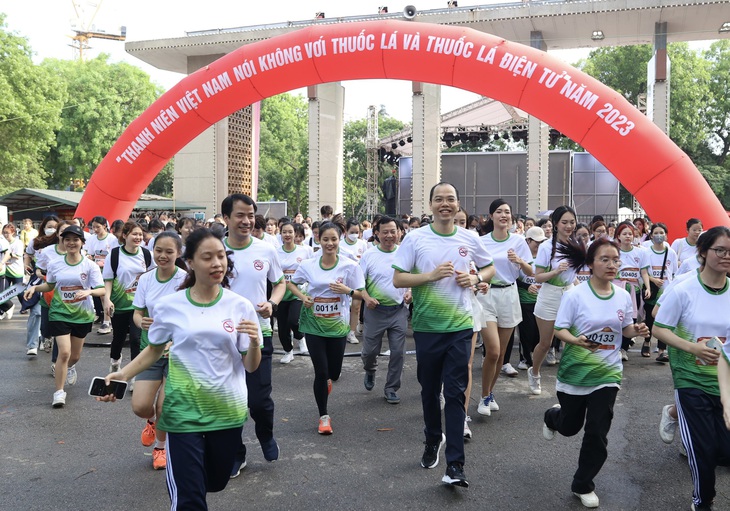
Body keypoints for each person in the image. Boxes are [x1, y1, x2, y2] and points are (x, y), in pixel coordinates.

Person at [98, 228, 262, 510]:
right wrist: (123, 374)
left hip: (227, 411)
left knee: (216, 481)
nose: (217, 264)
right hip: (182, 411)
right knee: (189, 499)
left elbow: (250, 365)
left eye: (221, 256)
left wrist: (256, 343)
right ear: (191, 262)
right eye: (207, 257)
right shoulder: (170, 306)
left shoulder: (240, 306)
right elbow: (154, 349)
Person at [393, 182, 494, 488]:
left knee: (454, 393)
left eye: (450, 199)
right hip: (426, 328)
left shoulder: (469, 237)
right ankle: (431, 438)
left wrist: (475, 277)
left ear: (458, 204)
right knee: (428, 390)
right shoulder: (415, 238)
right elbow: (398, 278)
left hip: (460, 327)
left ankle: (455, 465)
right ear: (431, 205)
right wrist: (430, 276)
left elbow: (490, 269)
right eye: (439, 199)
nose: (445, 204)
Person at [543, 238, 649, 509]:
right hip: (575, 373)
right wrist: (576, 341)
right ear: (590, 264)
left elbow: (624, 329)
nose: (612, 264)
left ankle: (583, 484)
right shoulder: (575, 295)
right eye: (605, 259)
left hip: (608, 373)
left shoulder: (623, 296)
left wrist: (634, 331)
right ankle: (553, 417)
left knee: (597, 431)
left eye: (616, 260)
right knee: (570, 427)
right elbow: (560, 330)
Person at [654, 226, 730, 511]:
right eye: (719, 250)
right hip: (690, 381)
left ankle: (671, 413)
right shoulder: (684, 290)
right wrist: (692, 348)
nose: (725, 256)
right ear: (703, 252)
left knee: (725, 451)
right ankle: (703, 501)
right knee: (703, 449)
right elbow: (659, 328)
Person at [222, 193, 285, 472]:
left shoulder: (266, 249)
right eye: (240, 215)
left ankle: (266, 434)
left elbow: (280, 283)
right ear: (226, 218)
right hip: (221, 336)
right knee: (228, 401)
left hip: (258, 333)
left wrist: (272, 303)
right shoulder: (213, 250)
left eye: (250, 215)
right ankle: (236, 453)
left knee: (258, 400)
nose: (247, 221)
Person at [287, 222, 365, 434]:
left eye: (333, 239)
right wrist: (303, 297)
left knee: (334, 372)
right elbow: (292, 284)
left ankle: (328, 380)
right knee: (320, 372)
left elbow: (362, 294)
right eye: (325, 239)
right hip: (313, 325)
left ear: (339, 240)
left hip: (338, 327)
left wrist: (347, 290)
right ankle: (324, 416)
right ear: (318, 240)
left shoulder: (350, 266)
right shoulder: (309, 265)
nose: (330, 243)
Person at [23, 225, 105, 407]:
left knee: (74, 356)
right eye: (67, 239)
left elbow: (102, 290)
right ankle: (59, 393)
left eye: (75, 239)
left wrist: (88, 292)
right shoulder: (55, 264)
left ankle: (70, 367)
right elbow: (50, 286)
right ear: (62, 241)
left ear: (82, 243)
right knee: (64, 352)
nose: (71, 243)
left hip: (82, 314)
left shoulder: (89, 265)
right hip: (60, 312)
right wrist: (35, 287)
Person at [131, 232, 187, 470]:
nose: (162, 256)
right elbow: (137, 312)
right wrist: (140, 322)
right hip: (150, 350)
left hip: (177, 352)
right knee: (141, 406)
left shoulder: (186, 279)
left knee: (165, 405)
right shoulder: (146, 279)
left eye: (169, 251)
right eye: (158, 251)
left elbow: (192, 314)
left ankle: (160, 448)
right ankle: (151, 422)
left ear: (179, 253)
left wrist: (178, 340)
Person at [476, 199, 533, 416]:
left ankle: (490, 393)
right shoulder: (482, 241)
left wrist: (519, 261)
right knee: (493, 350)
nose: (503, 215)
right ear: (491, 216)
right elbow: (473, 266)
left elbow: (530, 272)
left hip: (509, 294)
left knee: (500, 356)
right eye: (499, 211)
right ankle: (483, 396)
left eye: (507, 212)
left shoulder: (519, 241)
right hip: (487, 295)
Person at [528, 206, 580, 395]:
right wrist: (556, 271)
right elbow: (538, 277)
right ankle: (534, 372)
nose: (569, 226)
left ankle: (570, 376)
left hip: (570, 294)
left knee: (573, 340)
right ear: (556, 224)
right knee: (546, 343)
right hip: (549, 295)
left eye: (572, 222)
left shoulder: (577, 244)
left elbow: (573, 275)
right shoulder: (546, 246)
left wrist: (579, 287)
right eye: (564, 222)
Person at [359, 216, 411, 404]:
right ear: (377, 234)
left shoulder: (406, 253)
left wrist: (410, 292)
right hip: (375, 311)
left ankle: (391, 388)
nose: (389, 235)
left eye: (393, 231)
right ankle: (370, 369)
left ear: (400, 233)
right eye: (385, 232)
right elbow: (358, 284)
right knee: (369, 352)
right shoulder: (369, 255)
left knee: (398, 352)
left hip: (398, 311)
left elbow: (414, 278)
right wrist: (366, 297)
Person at [103, 221, 155, 385]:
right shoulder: (115, 254)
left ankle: (134, 375)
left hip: (139, 306)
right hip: (120, 305)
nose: (138, 237)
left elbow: (155, 277)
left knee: (136, 339)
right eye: (134, 234)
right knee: (118, 338)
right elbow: (108, 280)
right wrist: (107, 300)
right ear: (124, 236)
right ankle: (115, 362)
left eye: (140, 234)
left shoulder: (147, 255)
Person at [276, 222, 314, 362]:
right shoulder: (276, 251)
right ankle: (288, 351)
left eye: (290, 232)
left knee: (294, 320)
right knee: (283, 327)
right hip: (280, 294)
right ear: (280, 234)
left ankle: (300, 337)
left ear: (295, 233)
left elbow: (311, 269)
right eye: (284, 232)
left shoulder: (305, 251)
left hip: (298, 294)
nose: (287, 235)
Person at [22, 216, 59, 355]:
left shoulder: (62, 242)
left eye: (55, 227)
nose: (52, 229)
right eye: (49, 226)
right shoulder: (35, 242)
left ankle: (47, 337)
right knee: (36, 312)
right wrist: (27, 264)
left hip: (57, 282)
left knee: (54, 313)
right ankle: (32, 345)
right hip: (38, 280)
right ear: (43, 227)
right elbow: (28, 255)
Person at [613, 222, 651, 361]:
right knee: (616, 317)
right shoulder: (614, 251)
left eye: (630, 233)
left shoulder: (640, 252)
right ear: (618, 236)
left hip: (634, 289)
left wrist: (647, 287)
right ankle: (614, 347)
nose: (628, 236)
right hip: (617, 287)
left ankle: (624, 348)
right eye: (624, 234)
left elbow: (644, 272)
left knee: (631, 318)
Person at [643, 223, 678, 362]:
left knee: (664, 319)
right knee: (650, 318)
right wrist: (653, 280)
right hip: (652, 290)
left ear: (666, 235)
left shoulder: (671, 253)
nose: (659, 235)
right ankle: (646, 342)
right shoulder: (647, 252)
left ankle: (662, 350)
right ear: (651, 235)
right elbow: (643, 271)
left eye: (661, 232)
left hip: (666, 292)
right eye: (656, 233)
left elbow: (674, 272)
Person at [516, 227, 547, 370]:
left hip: (541, 301)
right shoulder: (520, 258)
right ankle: (524, 358)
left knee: (537, 332)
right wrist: (526, 286)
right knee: (526, 332)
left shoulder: (545, 257)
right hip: (525, 300)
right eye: (536, 242)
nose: (539, 245)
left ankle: (535, 358)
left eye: (542, 242)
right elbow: (514, 279)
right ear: (528, 241)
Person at [87, 216, 118, 334]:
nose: (95, 229)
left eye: (98, 227)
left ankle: (107, 321)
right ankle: (107, 319)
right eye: (93, 227)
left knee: (107, 296)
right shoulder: (92, 239)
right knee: (101, 296)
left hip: (109, 271)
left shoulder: (112, 239)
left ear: (105, 226)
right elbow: (90, 254)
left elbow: (115, 255)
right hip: (96, 271)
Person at [340, 218, 368, 344]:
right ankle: (342, 329)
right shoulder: (340, 244)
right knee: (344, 305)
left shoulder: (362, 244)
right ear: (345, 231)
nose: (355, 235)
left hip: (358, 279)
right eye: (352, 232)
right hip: (343, 279)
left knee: (356, 307)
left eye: (357, 232)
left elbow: (366, 261)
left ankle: (352, 332)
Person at [0, 224, 26, 319]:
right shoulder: (2, 242)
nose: (6, 235)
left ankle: (25, 306)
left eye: (8, 233)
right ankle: (3, 310)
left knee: (19, 292)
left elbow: (18, 256)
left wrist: (7, 254)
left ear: (13, 233)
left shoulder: (18, 243)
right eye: (4, 233)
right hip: (6, 272)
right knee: (4, 293)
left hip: (16, 271)